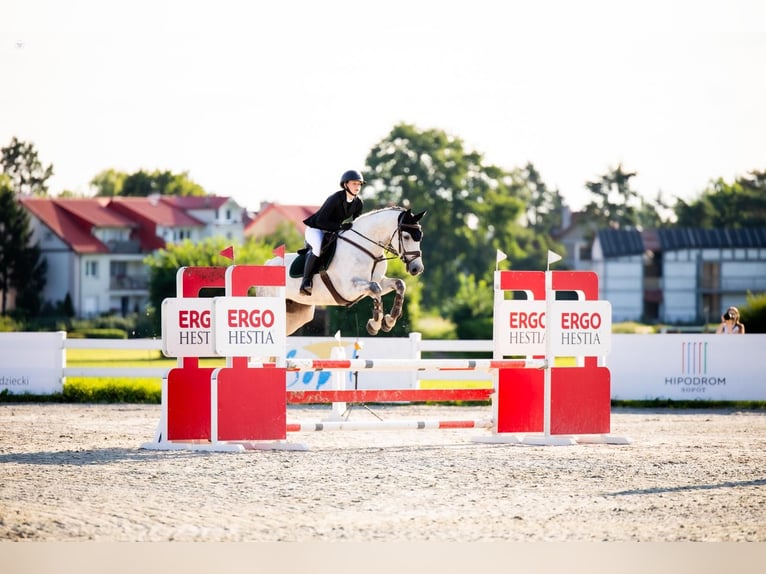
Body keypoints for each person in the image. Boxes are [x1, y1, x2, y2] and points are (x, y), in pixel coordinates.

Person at [299, 169, 365, 295]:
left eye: (359, 184)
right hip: (316, 228)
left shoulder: (358, 203)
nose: (357, 187)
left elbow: (357, 223)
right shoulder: (335, 198)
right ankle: (306, 282)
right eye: (354, 183)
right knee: (318, 248)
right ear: (346, 185)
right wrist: (340, 226)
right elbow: (321, 221)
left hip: (333, 230)